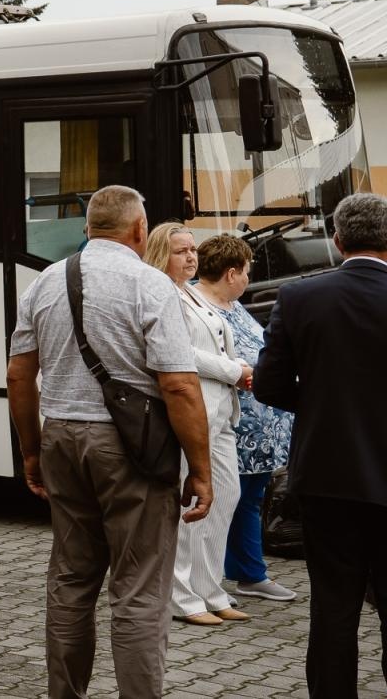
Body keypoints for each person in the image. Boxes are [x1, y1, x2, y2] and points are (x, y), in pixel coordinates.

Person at [6, 185, 212, 699]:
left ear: (87, 227)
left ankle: (66, 694)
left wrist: (31, 451)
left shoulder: (46, 282)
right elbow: (180, 384)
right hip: (130, 449)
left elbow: (17, 375)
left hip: (61, 437)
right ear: (140, 230)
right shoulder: (149, 284)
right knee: (139, 589)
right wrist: (201, 468)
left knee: (72, 579)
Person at [254, 192, 387, 696]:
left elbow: (268, 385)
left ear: (336, 239)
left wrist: (320, 408)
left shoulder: (299, 296)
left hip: (327, 474)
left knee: (332, 607)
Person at [142, 223, 248, 627]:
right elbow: (180, 352)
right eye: (180, 251)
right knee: (193, 503)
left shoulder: (191, 292)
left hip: (220, 410)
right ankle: (182, 595)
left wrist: (231, 372)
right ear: (160, 254)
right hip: (192, 408)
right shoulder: (160, 292)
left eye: (192, 250)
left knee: (227, 496)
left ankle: (211, 588)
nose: (190, 257)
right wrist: (233, 370)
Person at [191, 233, 295, 603]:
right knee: (228, 502)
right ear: (232, 273)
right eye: (248, 271)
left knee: (246, 499)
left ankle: (244, 573)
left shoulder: (232, 304)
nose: (249, 279)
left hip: (259, 431)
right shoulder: (197, 305)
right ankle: (237, 576)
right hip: (232, 427)